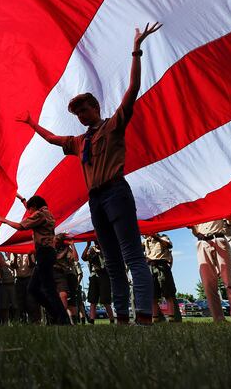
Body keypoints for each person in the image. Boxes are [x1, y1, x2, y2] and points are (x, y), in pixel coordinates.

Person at [17, 23, 162, 325]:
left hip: (116, 192)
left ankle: (145, 316)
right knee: (112, 262)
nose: (82, 115)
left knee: (133, 256)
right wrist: (32, 124)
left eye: (85, 109)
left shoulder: (113, 125)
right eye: (78, 112)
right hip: (96, 200)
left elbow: (132, 91)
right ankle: (122, 317)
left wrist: (136, 51)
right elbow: (54, 139)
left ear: (96, 108)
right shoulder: (79, 141)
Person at [0, 195, 68, 325]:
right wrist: (21, 198)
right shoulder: (47, 214)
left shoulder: (40, 215)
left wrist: (4, 220)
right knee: (34, 288)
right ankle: (56, 314)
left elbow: (20, 226)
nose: (28, 213)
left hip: (44, 253)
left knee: (48, 289)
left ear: (35, 207)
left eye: (30, 210)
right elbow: (32, 211)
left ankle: (62, 318)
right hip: (46, 254)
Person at [189, 218, 231, 322]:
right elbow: (196, 232)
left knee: (229, 282)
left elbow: (229, 226)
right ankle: (218, 319)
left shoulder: (217, 205)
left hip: (219, 239)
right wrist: (192, 228)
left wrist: (228, 220)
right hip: (202, 244)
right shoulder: (196, 212)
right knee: (208, 284)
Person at [143, 233, 178, 322]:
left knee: (168, 293)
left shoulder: (163, 237)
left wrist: (155, 236)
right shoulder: (145, 242)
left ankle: (171, 318)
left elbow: (169, 245)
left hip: (162, 266)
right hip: (150, 267)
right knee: (152, 295)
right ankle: (155, 319)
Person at [82, 240, 113, 324]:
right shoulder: (92, 250)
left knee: (105, 300)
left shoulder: (104, 250)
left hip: (104, 276)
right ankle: (92, 320)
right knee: (93, 300)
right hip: (93, 276)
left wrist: (99, 251)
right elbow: (83, 257)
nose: (96, 244)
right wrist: (88, 246)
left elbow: (105, 258)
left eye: (97, 242)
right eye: (95, 242)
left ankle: (112, 319)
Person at [9, 252, 40, 323]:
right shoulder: (13, 252)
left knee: (31, 301)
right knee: (20, 302)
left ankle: (33, 321)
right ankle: (22, 321)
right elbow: (14, 266)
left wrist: (29, 255)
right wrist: (15, 256)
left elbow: (32, 265)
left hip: (29, 279)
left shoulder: (29, 251)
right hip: (19, 279)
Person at [0, 253, 16, 323]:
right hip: (3, 284)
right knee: (4, 306)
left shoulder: (13, 253)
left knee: (15, 305)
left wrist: (6, 264)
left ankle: (16, 321)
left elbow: (15, 267)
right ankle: (5, 323)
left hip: (13, 283)